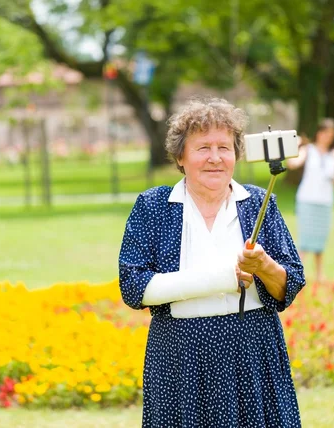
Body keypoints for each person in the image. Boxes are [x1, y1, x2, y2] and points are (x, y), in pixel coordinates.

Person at [119, 97, 306, 427]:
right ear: (181, 156)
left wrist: (264, 266)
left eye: (225, 148)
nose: (215, 158)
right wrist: (223, 277)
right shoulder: (153, 207)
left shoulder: (259, 204)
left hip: (252, 350)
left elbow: (288, 286)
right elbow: (134, 287)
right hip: (180, 356)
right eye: (203, 148)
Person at [287, 118, 334, 283]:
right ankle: (297, 273)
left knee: (320, 240)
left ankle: (320, 275)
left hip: (325, 201)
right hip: (307, 199)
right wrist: (294, 147)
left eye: (331, 134)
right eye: (325, 133)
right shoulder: (308, 150)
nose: (328, 137)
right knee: (305, 239)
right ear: (319, 133)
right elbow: (293, 163)